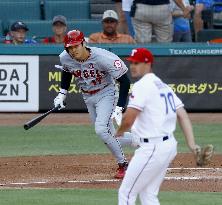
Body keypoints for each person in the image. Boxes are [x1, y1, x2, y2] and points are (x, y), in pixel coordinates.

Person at [116, 48, 200, 204]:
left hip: (152, 148)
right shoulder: (162, 85)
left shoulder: (142, 86)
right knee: (148, 194)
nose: (133, 66)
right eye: (132, 62)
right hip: (168, 146)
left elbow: (129, 119)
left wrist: (119, 132)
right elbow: (182, 115)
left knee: (126, 193)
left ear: (148, 64)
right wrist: (192, 145)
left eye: (137, 63)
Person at [53, 30, 131, 179]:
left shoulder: (103, 57)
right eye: (69, 47)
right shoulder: (65, 57)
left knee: (101, 130)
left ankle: (124, 165)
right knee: (111, 135)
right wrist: (62, 93)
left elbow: (125, 81)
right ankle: (146, 141)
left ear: (84, 43)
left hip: (106, 93)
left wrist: (120, 107)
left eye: (76, 46)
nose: (73, 50)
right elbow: (67, 71)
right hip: (87, 96)